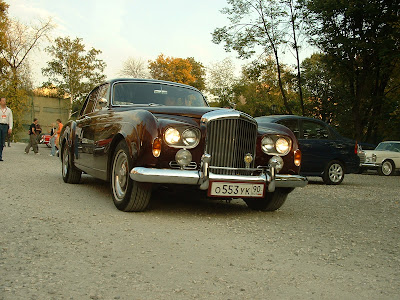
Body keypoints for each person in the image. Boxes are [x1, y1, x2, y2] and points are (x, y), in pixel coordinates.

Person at [0, 97, 13, 161]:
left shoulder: (8, 110)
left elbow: (10, 119)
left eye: (5, 101)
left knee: (2, 142)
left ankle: (0, 155)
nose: (4, 102)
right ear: (0, 102)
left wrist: (10, 128)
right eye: (2, 101)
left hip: (5, 126)